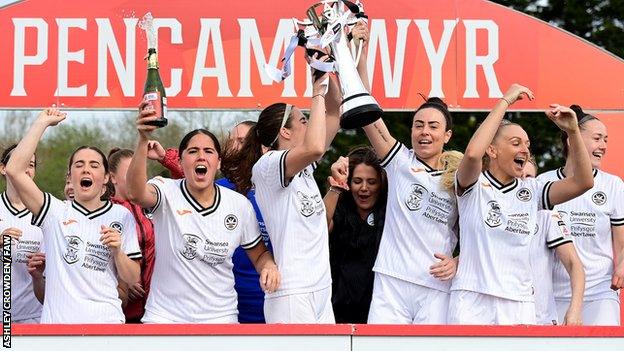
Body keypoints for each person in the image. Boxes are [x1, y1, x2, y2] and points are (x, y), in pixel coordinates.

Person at [450, 85, 594, 325]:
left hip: (519, 303)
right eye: (516, 143)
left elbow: (583, 182)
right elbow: (474, 154)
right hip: (471, 299)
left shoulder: (533, 190)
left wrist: (573, 133)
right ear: (492, 150)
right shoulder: (472, 185)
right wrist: (505, 100)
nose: (525, 150)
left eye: (527, 144)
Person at [126, 103, 280, 323]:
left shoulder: (238, 204)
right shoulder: (165, 190)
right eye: (192, 151)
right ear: (180, 161)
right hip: (165, 318)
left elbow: (260, 255)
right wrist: (142, 139)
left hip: (220, 319)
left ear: (217, 162)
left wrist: (269, 266)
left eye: (209, 151)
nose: (201, 156)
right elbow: (135, 193)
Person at [220, 52, 342, 323]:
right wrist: (316, 91)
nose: (308, 123)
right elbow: (315, 145)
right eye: (302, 120)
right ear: (285, 132)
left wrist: (325, 69)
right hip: (291, 293)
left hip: (321, 289)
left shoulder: (305, 167)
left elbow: (335, 111)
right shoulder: (268, 166)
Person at [5, 108, 142, 323]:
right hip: (59, 329)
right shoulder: (54, 211)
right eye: (79, 165)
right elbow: (14, 170)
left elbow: (133, 278)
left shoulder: (121, 214)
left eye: (94, 165)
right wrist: (41, 124)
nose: (86, 170)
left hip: (106, 326)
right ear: (70, 176)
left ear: (105, 177)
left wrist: (117, 251)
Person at [537, 105, 624, 325]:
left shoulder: (613, 185)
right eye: (597, 138)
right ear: (571, 139)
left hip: (600, 293)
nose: (603, 146)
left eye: (605, 140)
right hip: (552, 294)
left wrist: (622, 263)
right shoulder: (543, 183)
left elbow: (621, 243)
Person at [323, 146, 387, 323]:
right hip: (337, 309)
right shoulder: (339, 209)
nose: (364, 188)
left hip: (380, 310)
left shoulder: (390, 213)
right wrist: (336, 187)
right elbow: (317, 228)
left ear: (381, 185)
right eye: (357, 181)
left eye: (372, 182)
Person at [523, 158, 585, 325]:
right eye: (519, 175)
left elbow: (574, 264)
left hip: (541, 319)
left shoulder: (547, 215)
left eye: (528, 176)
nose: (523, 179)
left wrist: (575, 308)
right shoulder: (495, 210)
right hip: (504, 314)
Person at [108, 148, 156, 323]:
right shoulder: (106, 213)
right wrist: (125, 281)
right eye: (130, 172)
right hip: (123, 309)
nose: (136, 177)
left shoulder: (153, 206)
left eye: (139, 171)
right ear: (112, 177)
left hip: (156, 309)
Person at [0, 144, 43, 323]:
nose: (25, 168)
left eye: (31, 164)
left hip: (34, 318)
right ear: (4, 168)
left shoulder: (47, 212)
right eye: (20, 161)